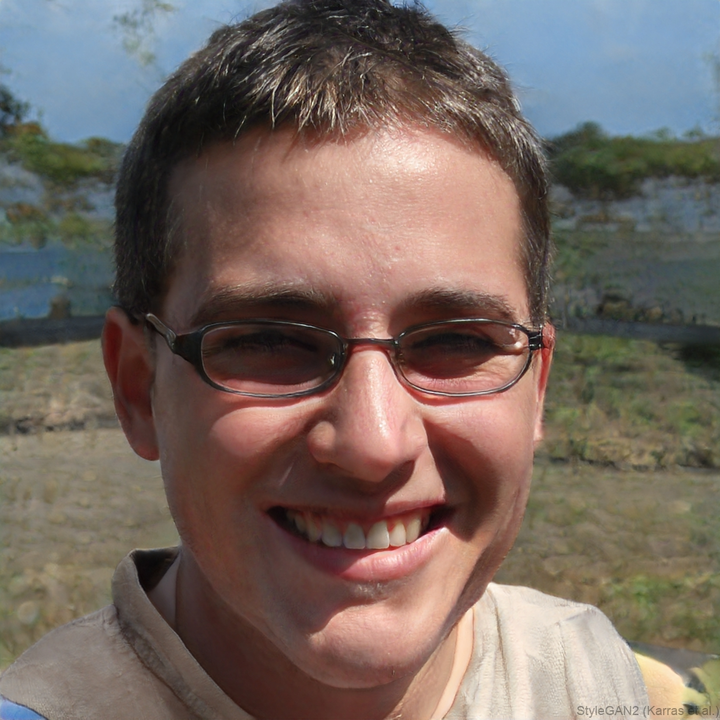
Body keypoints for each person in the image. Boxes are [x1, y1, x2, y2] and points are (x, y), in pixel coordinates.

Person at [0, 1, 650, 718]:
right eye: (269, 340)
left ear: (538, 389)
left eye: (458, 340)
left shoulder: (584, 672)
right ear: (137, 387)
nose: (374, 446)